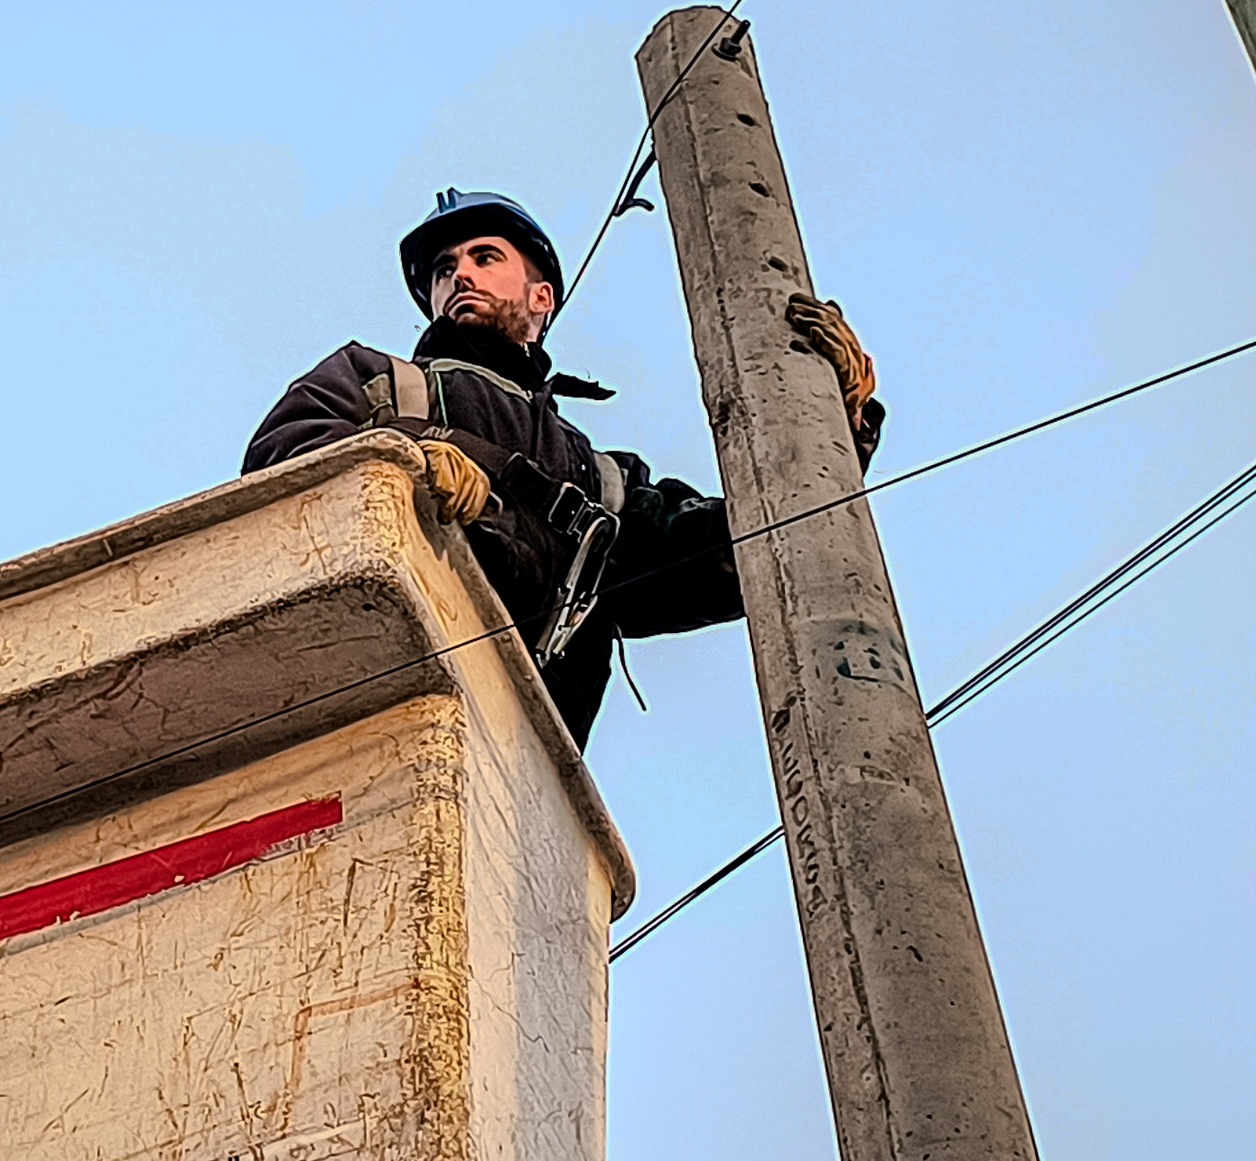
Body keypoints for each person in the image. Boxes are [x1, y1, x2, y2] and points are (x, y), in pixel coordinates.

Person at [243, 188, 882, 748]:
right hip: (364, 700)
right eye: (443, 269)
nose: (459, 275)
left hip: (519, 772)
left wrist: (834, 424)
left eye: (483, 257)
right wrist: (396, 464)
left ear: (540, 297)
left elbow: (731, 557)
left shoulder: (598, 481)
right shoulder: (378, 383)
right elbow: (282, 461)